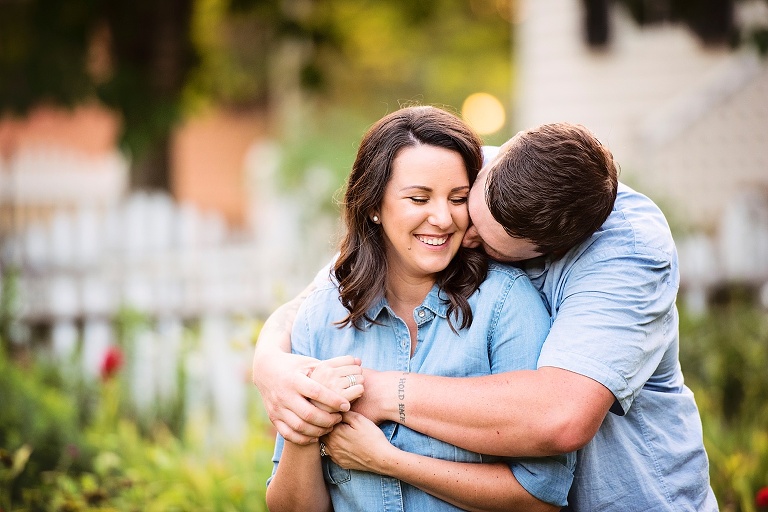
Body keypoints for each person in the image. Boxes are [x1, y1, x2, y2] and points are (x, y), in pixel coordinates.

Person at [254, 121, 718, 511]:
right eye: (467, 204)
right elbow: (326, 292)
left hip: (634, 496)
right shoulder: (468, 171)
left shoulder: (625, 252)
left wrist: (377, 392)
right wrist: (270, 362)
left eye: (489, 245)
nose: (459, 232)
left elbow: (561, 418)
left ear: (546, 253)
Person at [264, 106, 573, 512]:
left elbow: (541, 498)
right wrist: (309, 427)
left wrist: (390, 462)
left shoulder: (506, 306)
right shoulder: (324, 317)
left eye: (458, 198)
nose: (443, 218)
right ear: (374, 205)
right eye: (418, 198)